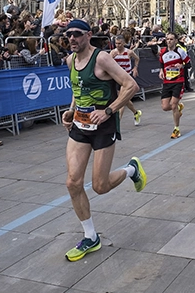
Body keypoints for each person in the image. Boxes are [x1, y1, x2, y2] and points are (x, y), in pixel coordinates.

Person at [59, 19, 145, 262]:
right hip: (80, 124)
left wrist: (109, 111)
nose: (72, 38)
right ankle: (90, 236)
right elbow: (78, 89)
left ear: (88, 35)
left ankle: (131, 170)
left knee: (100, 186)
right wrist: (71, 110)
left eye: (77, 34)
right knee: (73, 183)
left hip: (103, 126)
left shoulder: (102, 59)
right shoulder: (70, 60)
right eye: (68, 34)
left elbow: (131, 85)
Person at [158, 32, 190, 138]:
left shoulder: (180, 51)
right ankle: (179, 107)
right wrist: (161, 71)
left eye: (171, 39)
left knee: (173, 105)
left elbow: (189, 63)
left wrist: (182, 65)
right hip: (167, 81)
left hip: (178, 81)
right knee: (165, 107)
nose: (169, 41)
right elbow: (161, 63)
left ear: (176, 41)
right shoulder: (163, 52)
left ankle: (176, 129)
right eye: (167, 39)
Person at [109, 35, 143, 126]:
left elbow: (137, 58)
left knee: (121, 100)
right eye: (116, 43)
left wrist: (135, 68)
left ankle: (117, 124)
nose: (118, 45)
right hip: (117, 78)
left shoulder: (129, 52)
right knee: (125, 99)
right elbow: (107, 63)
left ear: (124, 43)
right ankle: (136, 112)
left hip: (127, 78)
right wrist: (111, 58)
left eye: (119, 43)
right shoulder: (113, 52)